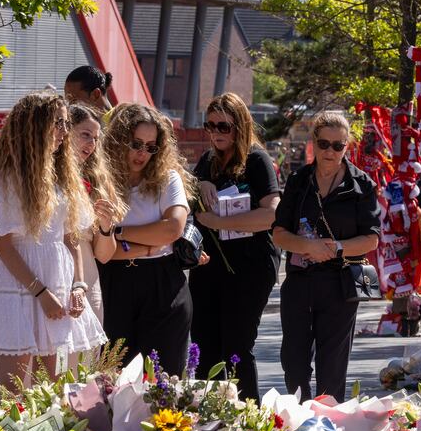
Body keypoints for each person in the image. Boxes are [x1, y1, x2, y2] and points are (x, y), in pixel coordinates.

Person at [0, 93, 104, 403]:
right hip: (20, 285)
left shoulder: (63, 173)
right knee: (12, 387)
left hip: (59, 282)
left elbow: (70, 237)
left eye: (65, 123)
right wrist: (40, 292)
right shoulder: (10, 174)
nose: (64, 131)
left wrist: (77, 286)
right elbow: (3, 245)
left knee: (59, 387)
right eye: (57, 123)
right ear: (34, 126)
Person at [272, 111, 380, 402]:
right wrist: (308, 247)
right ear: (313, 143)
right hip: (300, 281)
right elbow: (279, 234)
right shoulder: (298, 181)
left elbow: (371, 238)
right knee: (294, 364)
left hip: (340, 283)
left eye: (337, 145)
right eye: (323, 144)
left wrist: (337, 247)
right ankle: (300, 421)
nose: (329, 151)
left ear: (347, 146)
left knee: (332, 366)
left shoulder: (361, 184)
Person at [188, 93, 281, 399]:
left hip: (250, 266)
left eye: (223, 126)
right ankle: (209, 421)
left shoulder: (257, 160)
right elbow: (186, 189)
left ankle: (248, 423)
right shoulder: (207, 161)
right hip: (210, 265)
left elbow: (271, 215)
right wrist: (199, 183)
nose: (216, 133)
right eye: (210, 125)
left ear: (240, 126)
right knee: (204, 345)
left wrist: (219, 222)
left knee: (236, 347)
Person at [95, 103, 192, 375]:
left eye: (151, 147)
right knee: (111, 381)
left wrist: (118, 233)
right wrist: (150, 243)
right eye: (136, 143)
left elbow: (173, 229)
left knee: (163, 380)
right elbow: (98, 250)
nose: (142, 153)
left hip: (163, 284)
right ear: (119, 140)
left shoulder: (167, 178)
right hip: (114, 283)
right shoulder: (102, 181)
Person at [68, 103, 123, 327]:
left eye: (96, 138)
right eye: (85, 135)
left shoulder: (98, 181)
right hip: (50, 279)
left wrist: (106, 225)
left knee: (85, 361)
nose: (91, 144)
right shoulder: (42, 178)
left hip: (88, 284)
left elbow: (103, 255)